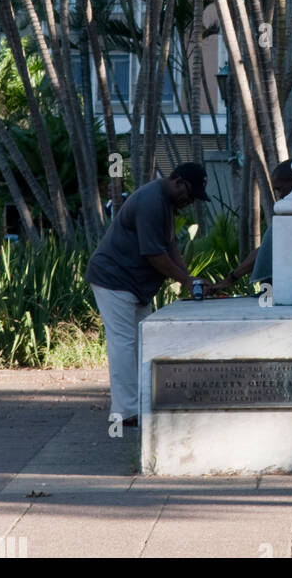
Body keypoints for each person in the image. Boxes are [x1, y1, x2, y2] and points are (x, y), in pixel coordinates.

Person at [85, 162, 211, 426]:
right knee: (124, 344)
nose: (190, 201)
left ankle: (141, 403)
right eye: (189, 193)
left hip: (133, 284)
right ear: (177, 180)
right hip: (114, 278)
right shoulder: (152, 201)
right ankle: (126, 411)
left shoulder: (165, 203)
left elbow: (170, 246)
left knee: (142, 342)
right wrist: (185, 280)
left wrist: (189, 278)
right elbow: (154, 254)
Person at [211, 160, 292, 293]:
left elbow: (265, 250)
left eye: (280, 188)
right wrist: (231, 278)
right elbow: (263, 250)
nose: (280, 196)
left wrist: (231, 279)